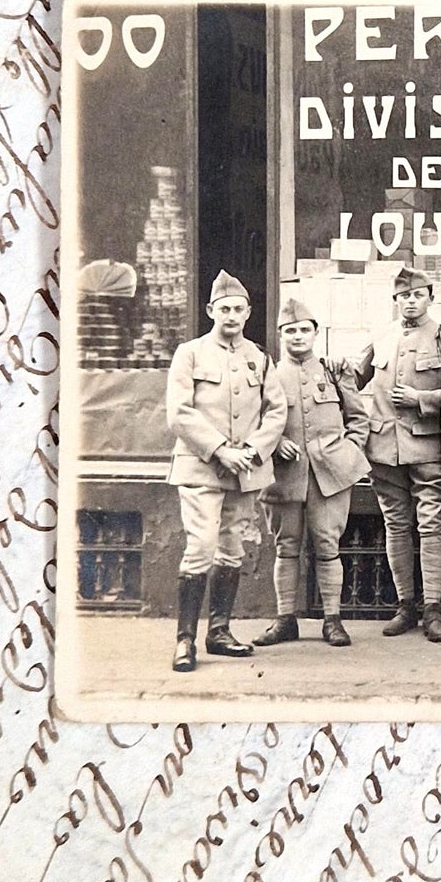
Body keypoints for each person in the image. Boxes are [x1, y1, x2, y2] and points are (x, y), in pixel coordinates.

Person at [164, 270, 287, 673]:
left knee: (232, 548)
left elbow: (276, 410)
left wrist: (252, 450)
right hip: (201, 468)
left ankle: (219, 631)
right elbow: (179, 413)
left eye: (238, 309)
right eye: (224, 309)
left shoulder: (259, 357)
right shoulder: (190, 353)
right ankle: (185, 641)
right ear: (210, 311)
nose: (231, 315)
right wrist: (219, 450)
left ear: (248, 313)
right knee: (200, 546)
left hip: (245, 471)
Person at [353, 266, 441, 643]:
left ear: (431, 297)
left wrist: (422, 400)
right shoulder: (381, 337)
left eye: (418, 295)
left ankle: (433, 608)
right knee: (396, 524)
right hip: (383, 446)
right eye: (404, 296)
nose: (411, 302)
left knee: (431, 521)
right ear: (395, 300)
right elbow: (354, 379)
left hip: (428, 445)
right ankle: (406, 605)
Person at [254, 297, 370, 649]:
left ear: (316, 333)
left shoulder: (334, 371)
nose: (298, 336)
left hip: (329, 475)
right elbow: (249, 422)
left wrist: (347, 454)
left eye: (305, 329)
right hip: (282, 475)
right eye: (291, 331)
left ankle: (332, 620)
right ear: (280, 335)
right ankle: (285, 619)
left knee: (327, 545)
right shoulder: (265, 375)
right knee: (286, 546)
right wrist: (273, 445)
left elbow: (359, 420)